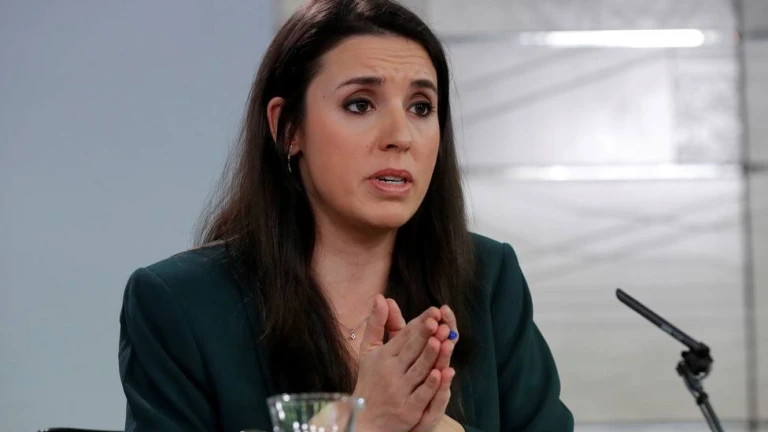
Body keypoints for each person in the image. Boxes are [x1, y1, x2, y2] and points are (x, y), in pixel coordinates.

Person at [117, 0, 574, 430]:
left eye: (421, 107)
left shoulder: (487, 279)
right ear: (288, 128)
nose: (400, 136)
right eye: (360, 104)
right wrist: (361, 422)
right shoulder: (181, 303)